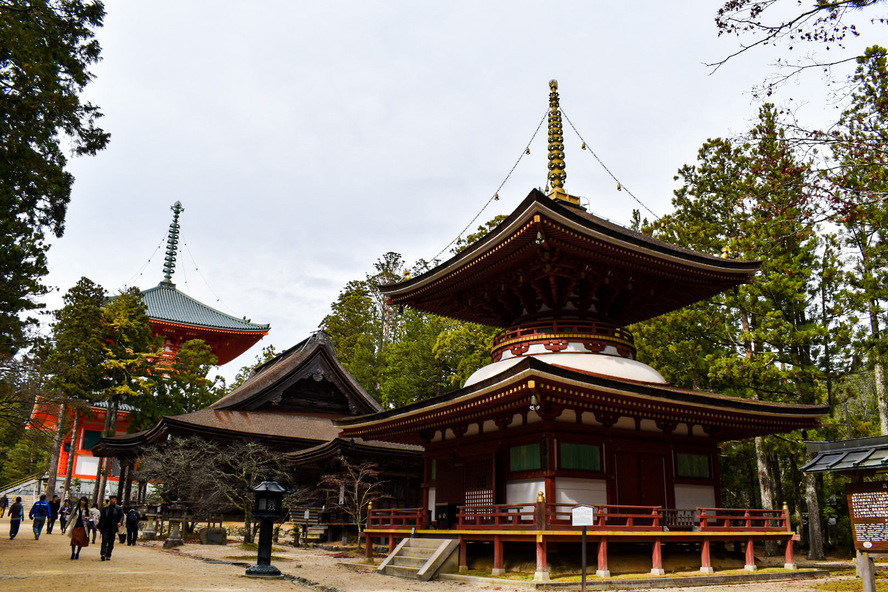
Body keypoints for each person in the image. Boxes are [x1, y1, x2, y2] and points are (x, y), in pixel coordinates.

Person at [97, 495, 124, 561]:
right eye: (112, 499)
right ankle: (103, 553)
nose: (113, 500)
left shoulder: (118, 508)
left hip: (113, 527)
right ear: (110, 500)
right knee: (104, 540)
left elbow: (121, 516)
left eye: (114, 499)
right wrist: (99, 526)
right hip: (105, 526)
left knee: (111, 542)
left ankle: (108, 554)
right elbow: (102, 518)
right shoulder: (105, 509)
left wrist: (120, 522)